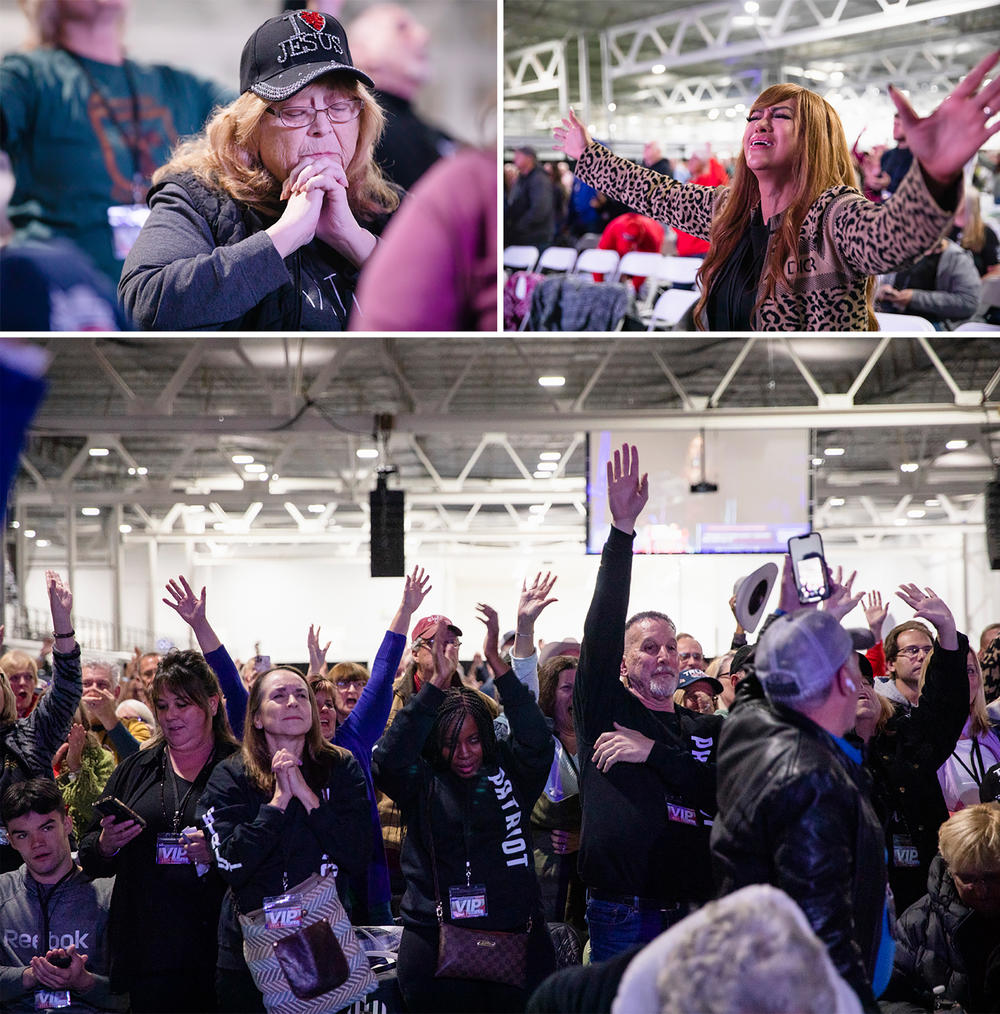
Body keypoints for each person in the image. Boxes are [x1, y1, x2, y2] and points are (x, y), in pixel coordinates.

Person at [553, 55, 1000, 330]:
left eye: (780, 116)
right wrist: (587, 154)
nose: (760, 123)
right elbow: (656, 194)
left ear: (814, 139)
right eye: (754, 117)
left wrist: (936, 174)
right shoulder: (730, 209)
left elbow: (894, 236)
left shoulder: (833, 218)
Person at [119, 11, 400, 330]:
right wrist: (286, 235)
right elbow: (145, 306)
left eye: (338, 107)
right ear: (250, 129)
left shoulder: (383, 204)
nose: (323, 127)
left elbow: (455, 310)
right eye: (296, 111)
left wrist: (355, 241)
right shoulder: (199, 199)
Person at [574, 444, 722, 962]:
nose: (663, 657)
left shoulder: (702, 727)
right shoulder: (603, 709)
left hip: (696, 912)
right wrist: (621, 532)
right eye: (648, 647)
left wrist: (653, 754)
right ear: (622, 662)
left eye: (670, 648)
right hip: (623, 913)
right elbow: (603, 626)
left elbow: (721, 792)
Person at [712, 605, 894, 1012]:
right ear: (841, 683)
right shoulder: (811, 779)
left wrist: (787, 613)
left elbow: (751, 692)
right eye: (855, 673)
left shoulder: (752, 733)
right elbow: (821, 933)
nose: (865, 686)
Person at [372, 620, 556, 1013]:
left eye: (473, 740)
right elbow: (387, 761)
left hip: (518, 937)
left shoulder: (511, 770)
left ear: (487, 739)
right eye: (451, 743)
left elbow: (538, 740)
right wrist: (436, 686)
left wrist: (498, 666)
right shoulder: (420, 781)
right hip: (435, 943)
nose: (464, 753)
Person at [0, 0, 231, 286]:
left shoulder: (176, 85)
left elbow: (271, 109)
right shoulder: (29, 77)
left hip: (160, 300)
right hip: (63, 299)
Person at [198, 666, 370, 1013]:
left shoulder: (341, 766)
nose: (293, 702)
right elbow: (231, 864)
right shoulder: (231, 774)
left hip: (325, 939)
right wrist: (276, 803)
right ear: (257, 718)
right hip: (249, 948)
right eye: (278, 695)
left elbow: (357, 855)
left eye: (301, 695)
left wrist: (307, 797)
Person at [77, 650, 239, 1013]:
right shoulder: (136, 768)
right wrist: (106, 845)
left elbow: (268, 850)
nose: (170, 716)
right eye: (163, 706)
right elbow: (89, 854)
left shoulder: (241, 770)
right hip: (149, 952)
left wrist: (219, 852)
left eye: (183, 704)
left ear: (212, 703)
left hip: (222, 947)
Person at [866, 606, 969, 913]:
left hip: (920, 884)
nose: (921, 656)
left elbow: (945, 710)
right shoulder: (827, 749)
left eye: (927, 649)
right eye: (911, 650)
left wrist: (948, 632)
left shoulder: (906, 736)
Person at [0, 778, 125, 1014]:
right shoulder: (3, 894)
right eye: (22, 835)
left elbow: (129, 997)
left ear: (67, 824)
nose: (37, 843)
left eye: (46, 828)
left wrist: (83, 981)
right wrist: (29, 975)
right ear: (10, 840)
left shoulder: (108, 894)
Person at [350, 144, 497, 331]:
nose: (322, 127)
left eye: (339, 111)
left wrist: (352, 239)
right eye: (299, 114)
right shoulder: (463, 186)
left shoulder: (395, 203)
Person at [884, 802, 1000, 1013]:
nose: (982, 891)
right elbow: (885, 999)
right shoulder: (917, 924)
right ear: (949, 869)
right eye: (968, 878)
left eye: (992, 877)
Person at [1, 572, 81, 874]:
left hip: (46, 873)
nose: (20, 684)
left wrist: (62, 625)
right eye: (12, 676)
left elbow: (66, 688)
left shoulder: (30, 734)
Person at [346, 2, 454, 191]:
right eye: (401, 28)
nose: (423, 36)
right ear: (360, 52)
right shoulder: (354, 130)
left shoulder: (435, 134)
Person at [531, 653, 585, 933]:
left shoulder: (600, 744)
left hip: (586, 877)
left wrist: (584, 837)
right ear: (550, 694)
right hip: (543, 874)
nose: (575, 696)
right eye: (566, 688)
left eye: (580, 687)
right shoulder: (538, 745)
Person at [930, 648, 1000, 812]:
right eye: (952, 671)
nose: (962, 679)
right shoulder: (919, 739)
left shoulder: (994, 733)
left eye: (969, 670)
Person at [876, 237, 981, 328]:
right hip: (892, 313)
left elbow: (968, 302)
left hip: (933, 321)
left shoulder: (958, 258)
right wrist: (881, 290)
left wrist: (914, 298)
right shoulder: (905, 249)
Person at [506, 145, 556, 249]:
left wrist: (519, 225)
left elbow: (540, 209)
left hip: (535, 236)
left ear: (529, 158)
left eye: (518, 156)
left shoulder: (539, 179)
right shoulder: (523, 178)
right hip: (524, 235)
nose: (514, 159)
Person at [951, 186, 1000, 276]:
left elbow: (995, 270)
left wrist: (975, 286)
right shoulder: (945, 229)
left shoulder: (986, 234)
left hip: (977, 286)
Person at [0, 650, 39, 719]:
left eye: (28, 677)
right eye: (15, 677)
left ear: (35, 682)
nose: (22, 682)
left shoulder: (45, 712)